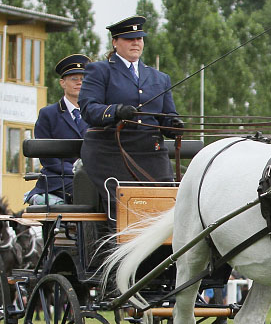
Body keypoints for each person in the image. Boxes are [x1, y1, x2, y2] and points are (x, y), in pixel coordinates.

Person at [77, 15, 183, 218]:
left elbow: (167, 116)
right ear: (115, 42)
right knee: (127, 211)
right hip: (112, 151)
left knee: (165, 209)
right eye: (129, 39)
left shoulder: (159, 78)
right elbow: (88, 109)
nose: (136, 43)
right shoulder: (100, 70)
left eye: (139, 38)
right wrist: (115, 111)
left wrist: (173, 124)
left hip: (150, 152)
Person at [25, 54, 92, 205]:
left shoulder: (96, 113)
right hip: (59, 180)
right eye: (74, 79)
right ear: (63, 83)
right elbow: (48, 158)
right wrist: (78, 172)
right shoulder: (48, 114)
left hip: (92, 176)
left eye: (83, 79)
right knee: (89, 192)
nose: (79, 83)